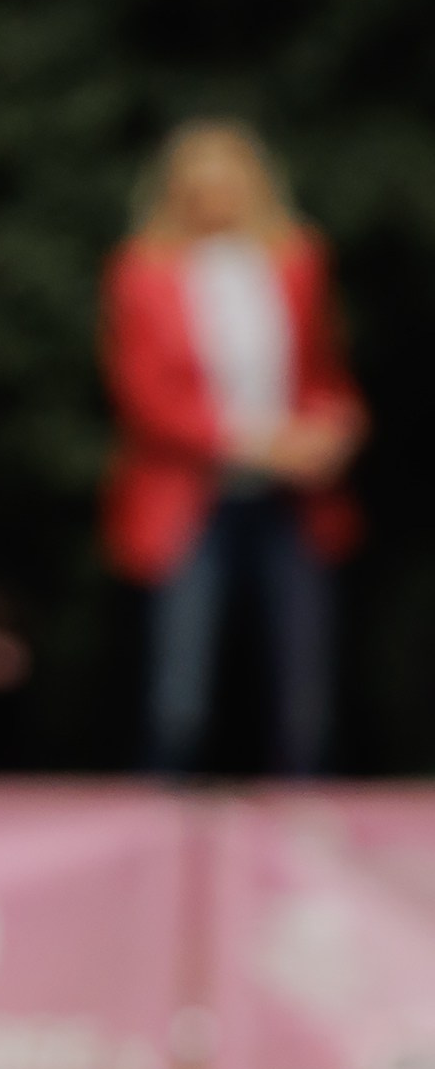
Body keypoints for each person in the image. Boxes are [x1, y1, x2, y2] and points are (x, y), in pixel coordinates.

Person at [100, 118, 365, 777]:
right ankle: (157, 849)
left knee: (304, 700)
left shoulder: (297, 258)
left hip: (291, 501)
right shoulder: (144, 270)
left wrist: (335, 425)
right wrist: (257, 444)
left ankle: (307, 855)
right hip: (190, 499)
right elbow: (144, 399)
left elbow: (322, 370)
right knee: (178, 698)